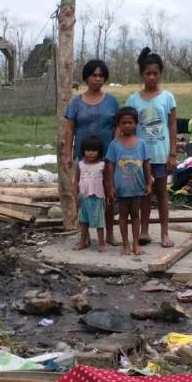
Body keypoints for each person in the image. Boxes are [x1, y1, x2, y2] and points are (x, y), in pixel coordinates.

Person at [64, 59, 120, 245]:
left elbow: (117, 128)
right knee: (83, 195)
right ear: (86, 77)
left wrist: (118, 153)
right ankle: (85, 235)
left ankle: (109, 233)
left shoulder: (112, 101)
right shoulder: (75, 102)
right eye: (94, 75)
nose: (97, 79)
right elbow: (70, 128)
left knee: (107, 194)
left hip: (106, 157)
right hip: (83, 158)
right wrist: (67, 154)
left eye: (101, 75)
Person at [126, 47, 178, 248]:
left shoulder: (167, 98)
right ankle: (144, 231)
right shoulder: (133, 99)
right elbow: (126, 127)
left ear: (161, 74)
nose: (152, 77)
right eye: (148, 73)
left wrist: (172, 154)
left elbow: (172, 125)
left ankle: (165, 233)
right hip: (140, 156)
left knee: (162, 194)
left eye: (155, 73)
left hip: (161, 154)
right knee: (144, 194)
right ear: (142, 75)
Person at [106, 107, 153, 256]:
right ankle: (125, 244)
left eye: (130, 122)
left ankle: (136, 244)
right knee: (123, 215)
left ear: (136, 123)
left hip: (137, 187)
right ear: (118, 125)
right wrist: (111, 186)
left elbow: (146, 164)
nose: (127, 126)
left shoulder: (142, 144)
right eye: (124, 123)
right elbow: (110, 166)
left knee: (136, 215)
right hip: (121, 188)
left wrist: (148, 183)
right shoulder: (114, 144)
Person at [73, 136, 107, 252]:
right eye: (88, 150)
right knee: (83, 221)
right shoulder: (80, 164)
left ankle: (102, 243)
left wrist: (107, 196)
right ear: (83, 151)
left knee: (99, 221)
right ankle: (83, 241)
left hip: (97, 196)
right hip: (83, 197)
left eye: (94, 150)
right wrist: (75, 194)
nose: (90, 153)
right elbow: (76, 180)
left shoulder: (102, 165)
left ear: (99, 151)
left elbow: (106, 181)